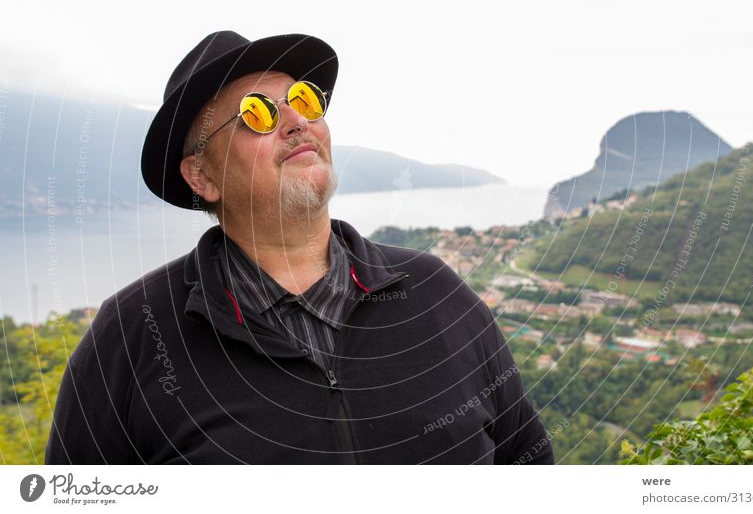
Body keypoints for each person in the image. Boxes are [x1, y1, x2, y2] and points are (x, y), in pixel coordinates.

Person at [45, 31, 554, 464]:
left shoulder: (437, 293)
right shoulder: (132, 334)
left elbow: (530, 465)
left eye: (305, 100)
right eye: (256, 114)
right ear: (202, 175)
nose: (296, 121)